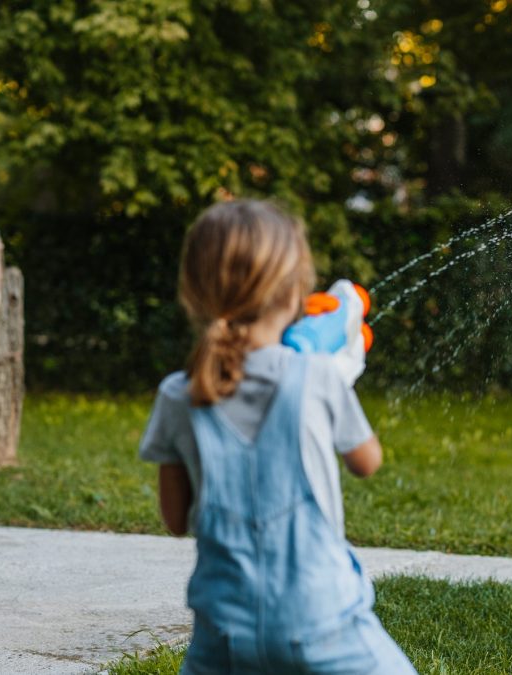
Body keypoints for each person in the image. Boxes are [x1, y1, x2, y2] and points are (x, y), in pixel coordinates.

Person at [139, 199, 416, 675]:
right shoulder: (317, 376)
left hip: (223, 631)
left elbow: (174, 519)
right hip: (323, 621)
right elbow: (367, 461)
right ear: (294, 294)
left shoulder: (177, 396)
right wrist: (342, 373)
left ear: (194, 293)